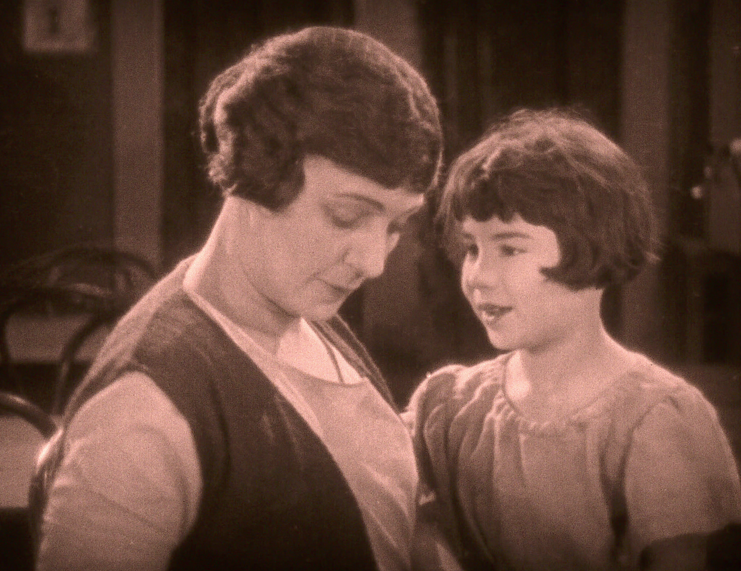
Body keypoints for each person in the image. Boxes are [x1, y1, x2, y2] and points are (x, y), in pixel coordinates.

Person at [35, 26, 443, 571]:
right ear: (256, 174)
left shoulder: (303, 311)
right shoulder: (143, 409)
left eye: (396, 225)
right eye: (347, 216)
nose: (374, 262)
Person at [405, 108, 741, 570]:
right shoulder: (449, 407)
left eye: (510, 248)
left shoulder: (652, 420)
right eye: (472, 248)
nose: (479, 276)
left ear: (591, 244)